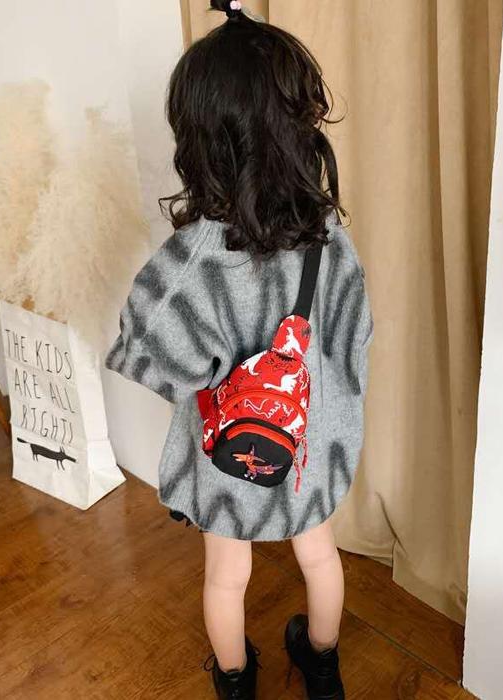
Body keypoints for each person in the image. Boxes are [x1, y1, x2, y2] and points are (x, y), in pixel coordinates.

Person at [106, 1, 373, 697]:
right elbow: (354, 343)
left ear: (200, 138)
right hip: (308, 446)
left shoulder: (193, 258)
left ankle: (234, 681)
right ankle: (321, 667)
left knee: (227, 575)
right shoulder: (330, 239)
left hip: (229, 458)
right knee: (320, 557)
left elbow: (158, 357)